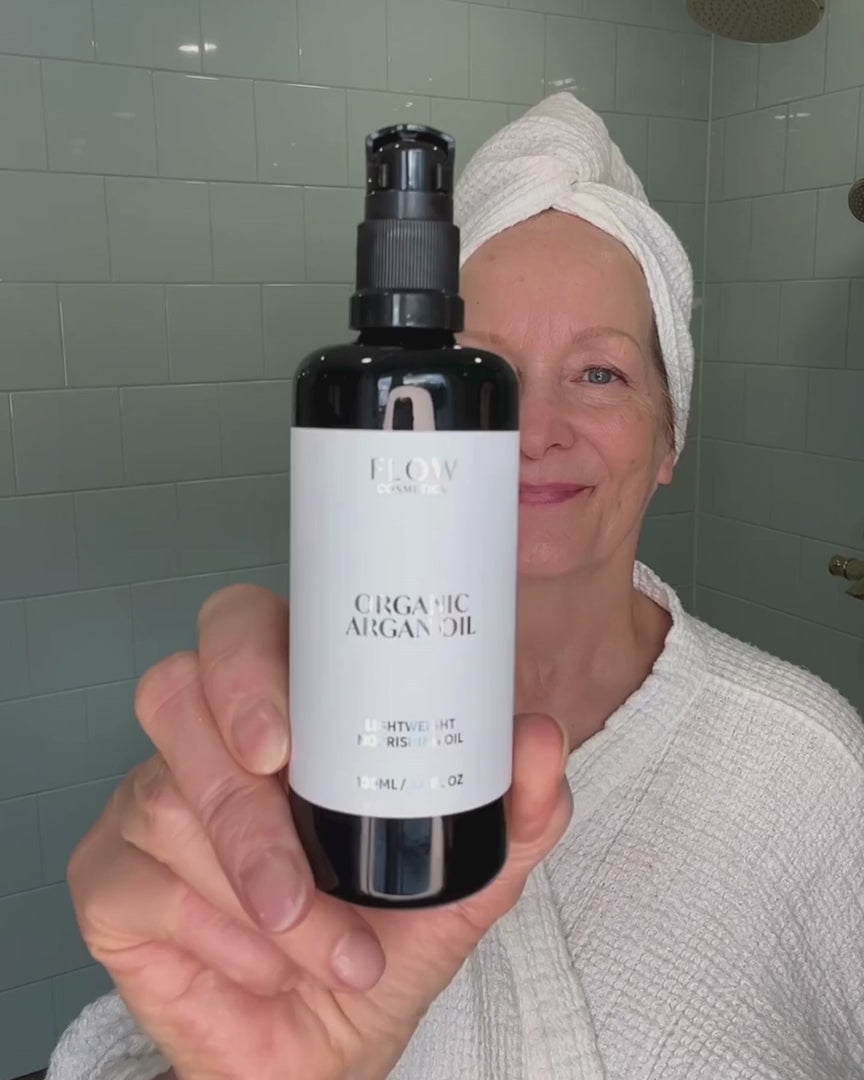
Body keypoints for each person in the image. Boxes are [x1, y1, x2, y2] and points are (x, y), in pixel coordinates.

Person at [49, 94, 864, 1080]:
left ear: (669, 437)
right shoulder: (313, 747)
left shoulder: (808, 766)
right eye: (496, 375)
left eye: (600, 374)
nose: (535, 430)